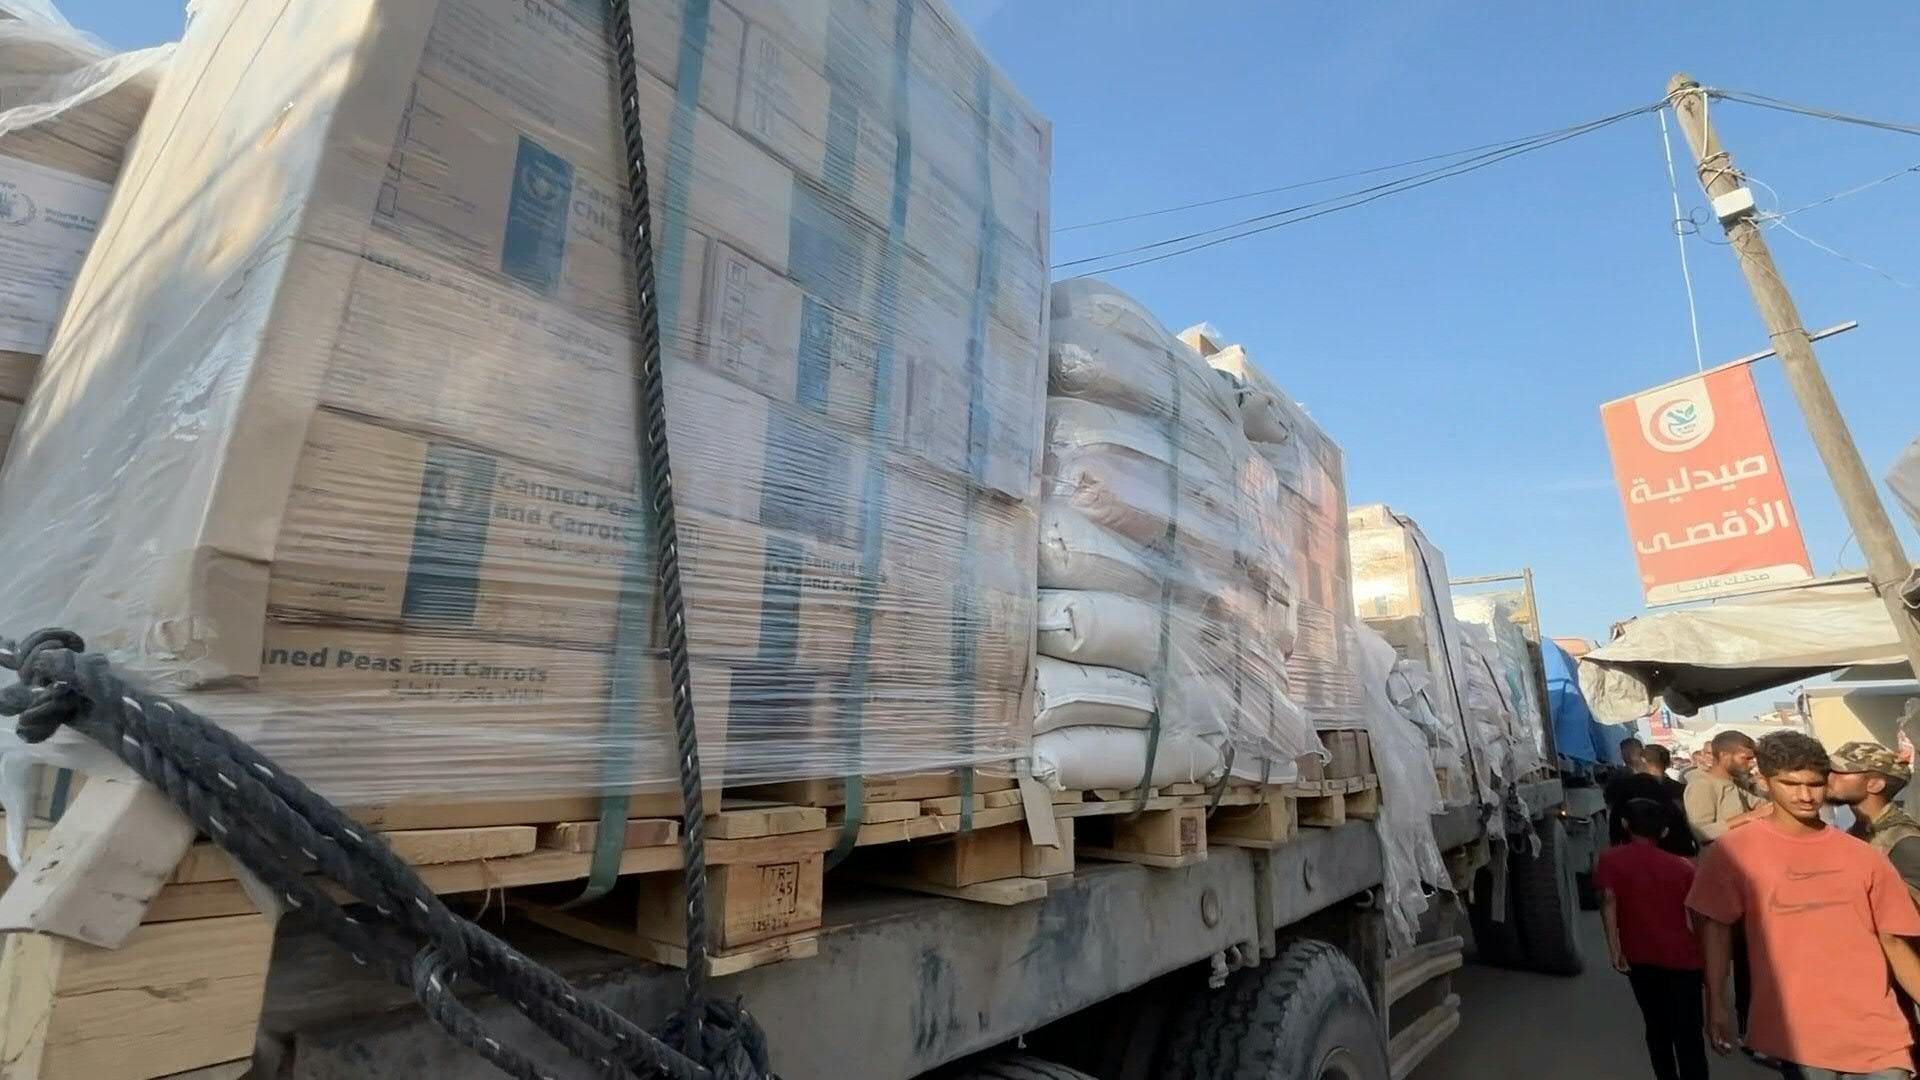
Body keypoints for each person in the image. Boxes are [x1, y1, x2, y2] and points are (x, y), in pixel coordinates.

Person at [1688, 731, 1920, 1080]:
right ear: (1765, 782)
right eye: (1790, 784)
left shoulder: (1863, 856)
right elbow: (1716, 929)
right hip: (1798, 1033)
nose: (1805, 795)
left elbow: (1894, 942)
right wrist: (1716, 1003)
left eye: (1814, 784)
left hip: (1877, 1030)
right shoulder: (1734, 853)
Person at [1598, 798, 1709, 1080]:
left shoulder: (1610, 859)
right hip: (1684, 960)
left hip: (1639, 956)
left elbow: (1608, 901)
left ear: (1624, 825)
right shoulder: (1684, 868)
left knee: (1656, 1026)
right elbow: (1698, 918)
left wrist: (1615, 949)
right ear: (1664, 832)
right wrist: (1708, 959)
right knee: (1689, 1033)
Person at [1827, 741, 1920, 902]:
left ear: (1875, 785)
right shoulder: (1859, 831)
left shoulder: (1904, 842)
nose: (1828, 777)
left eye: (1839, 771)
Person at [1607, 745, 1700, 857]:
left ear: (1643, 760)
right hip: (1675, 851)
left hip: (1637, 854)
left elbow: (1616, 819)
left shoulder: (1630, 786)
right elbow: (1688, 821)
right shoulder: (1680, 788)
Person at [1686, 730, 1763, 845]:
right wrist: (1746, 818)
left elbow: (1758, 804)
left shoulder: (1734, 782)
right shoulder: (1702, 785)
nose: (1752, 763)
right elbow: (1701, 833)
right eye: (1746, 758)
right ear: (1724, 756)